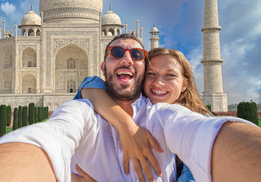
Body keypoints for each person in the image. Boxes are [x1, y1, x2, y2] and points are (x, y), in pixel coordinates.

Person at [0, 34, 261, 182]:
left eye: (137, 54)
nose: (126, 58)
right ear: (103, 66)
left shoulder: (162, 114)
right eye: (117, 52)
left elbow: (202, 132)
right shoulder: (84, 109)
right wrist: (126, 127)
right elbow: (49, 137)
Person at [72, 47, 213, 181]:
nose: (159, 82)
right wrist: (126, 125)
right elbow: (91, 83)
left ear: (184, 84)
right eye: (150, 74)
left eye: (170, 75)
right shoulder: (134, 111)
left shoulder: (196, 123)